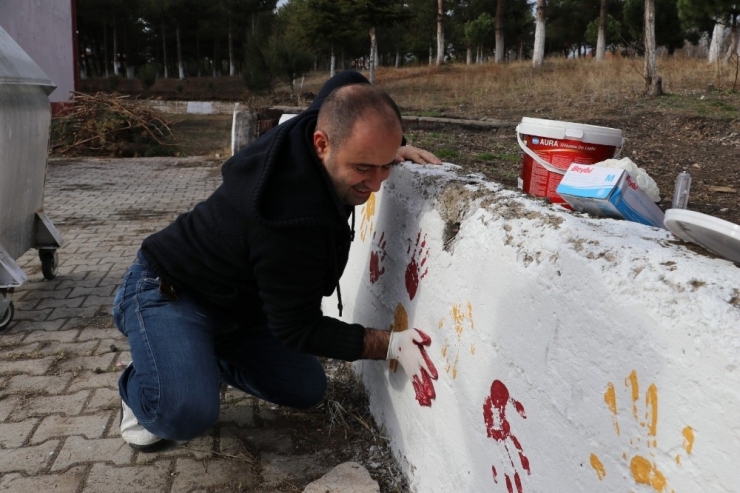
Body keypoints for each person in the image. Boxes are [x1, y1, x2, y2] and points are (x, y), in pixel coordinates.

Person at [112, 71, 442, 451]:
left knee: (305, 388)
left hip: (238, 309)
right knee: (185, 414)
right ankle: (141, 385)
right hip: (170, 291)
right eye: (363, 168)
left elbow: (347, 81)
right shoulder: (287, 219)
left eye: (385, 165)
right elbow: (297, 329)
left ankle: (192, 358)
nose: (377, 182)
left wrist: (382, 150)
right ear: (322, 144)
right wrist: (388, 344)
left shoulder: (327, 126)